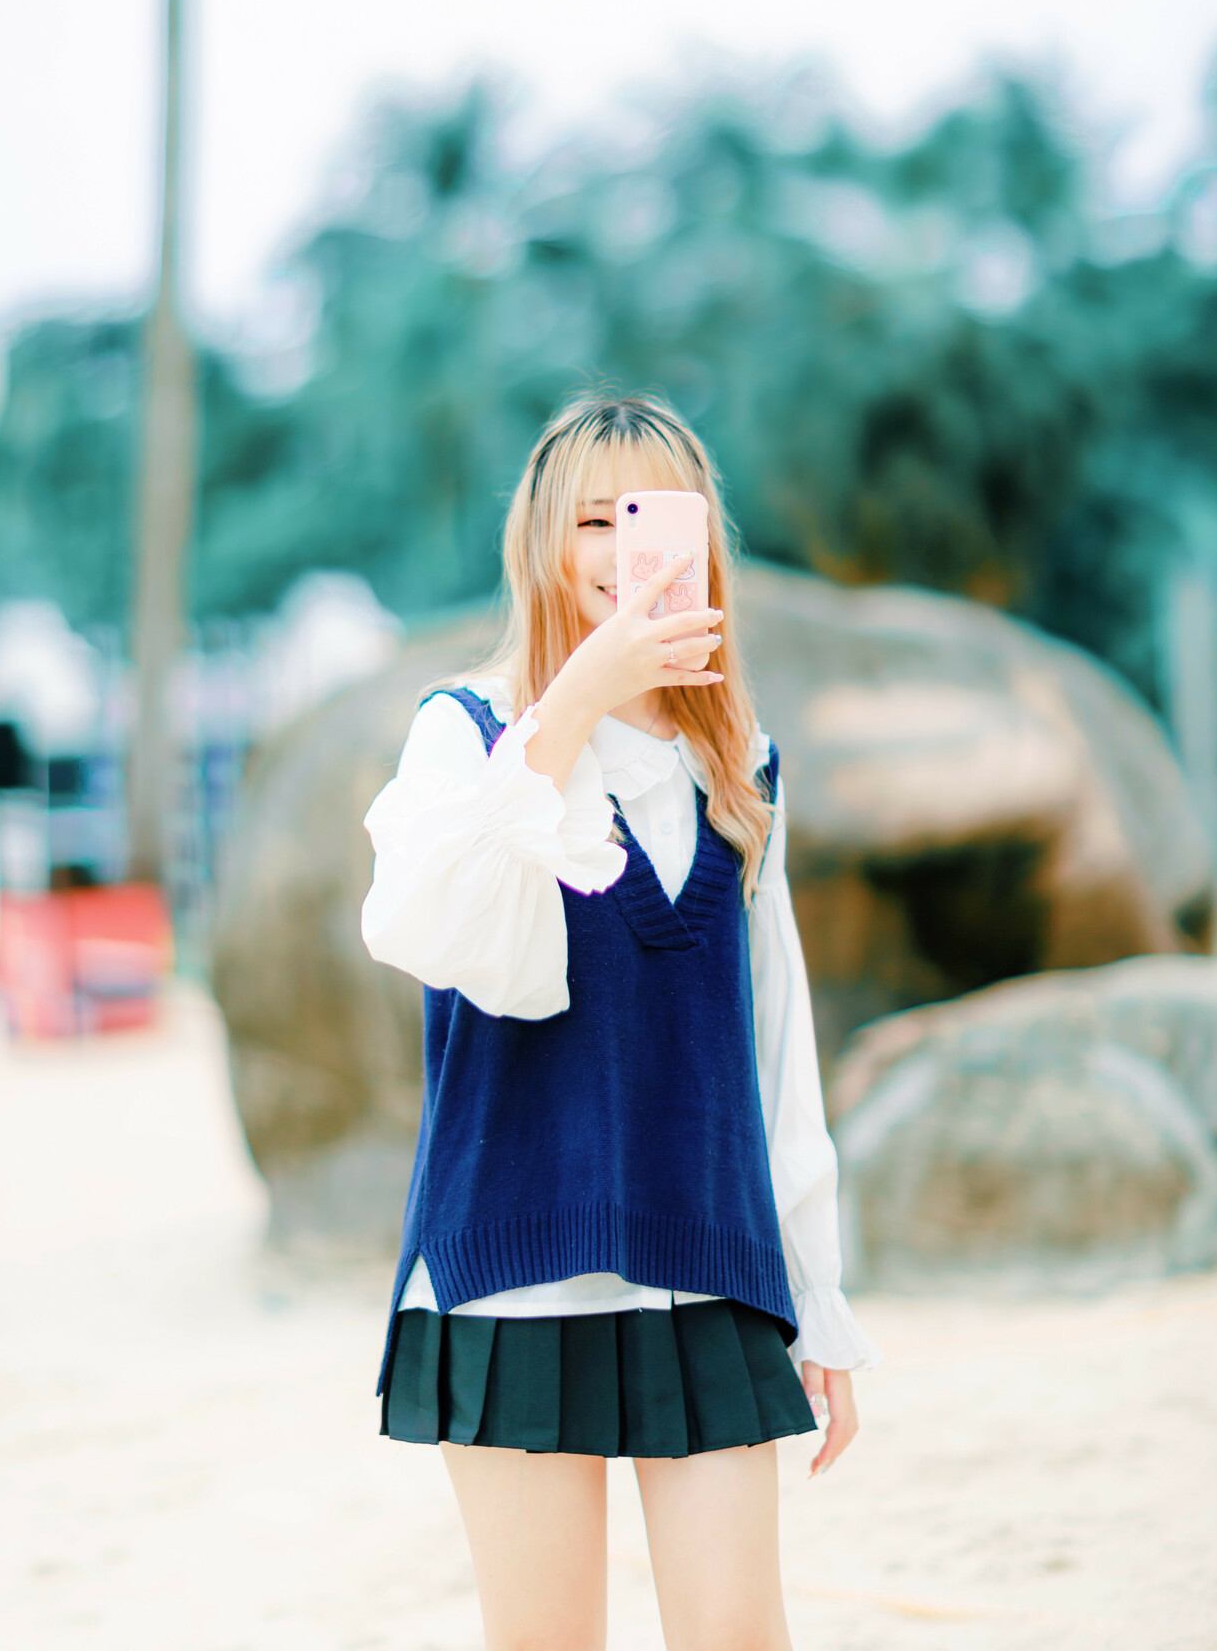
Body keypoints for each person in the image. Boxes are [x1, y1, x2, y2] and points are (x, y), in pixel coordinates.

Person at [360, 393, 880, 1651]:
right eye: (592, 521)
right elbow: (429, 928)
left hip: (705, 1257)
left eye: (648, 519)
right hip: (514, 1267)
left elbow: (773, 1047)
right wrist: (573, 706)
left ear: (697, 542)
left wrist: (816, 1293)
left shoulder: (736, 762)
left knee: (736, 1633)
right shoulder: (466, 733)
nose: (619, 551)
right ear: (543, 541)